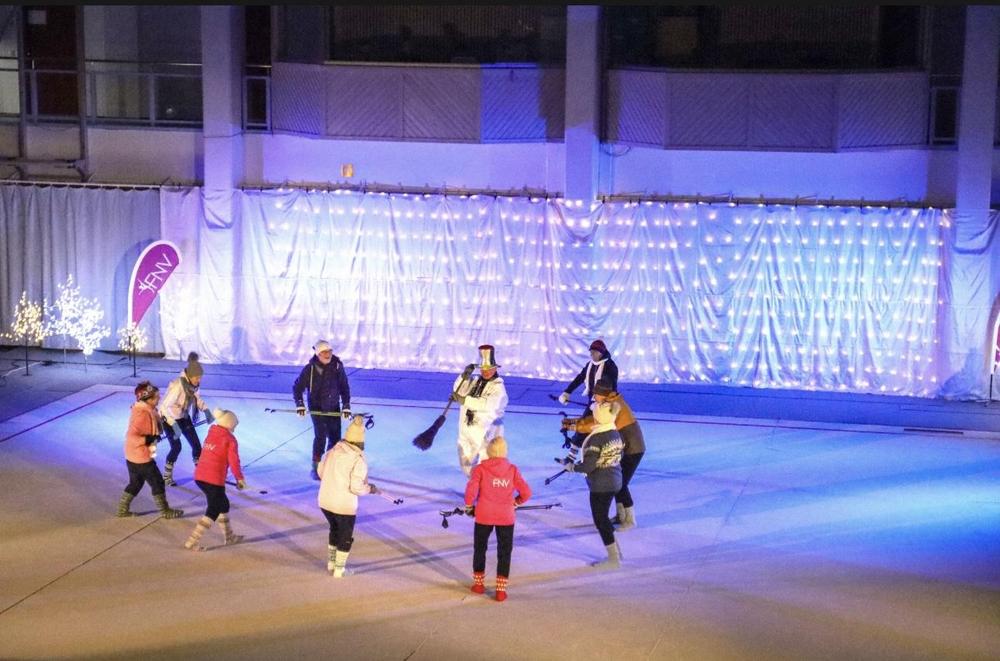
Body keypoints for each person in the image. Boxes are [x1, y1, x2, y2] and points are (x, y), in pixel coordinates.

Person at [562, 380, 644, 531]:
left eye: (595, 394)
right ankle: (621, 515)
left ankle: (630, 519)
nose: (593, 396)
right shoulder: (609, 403)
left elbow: (596, 425)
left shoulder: (612, 406)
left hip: (633, 448)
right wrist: (573, 422)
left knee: (621, 484)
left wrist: (574, 426)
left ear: (602, 394)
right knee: (618, 483)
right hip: (626, 446)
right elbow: (595, 419)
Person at [464, 436, 531, 602]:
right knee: (504, 551)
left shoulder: (480, 469)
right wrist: (516, 502)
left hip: (484, 515)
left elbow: (471, 490)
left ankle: (479, 584)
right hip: (505, 516)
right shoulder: (512, 470)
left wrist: (469, 506)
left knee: (480, 549)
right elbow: (526, 493)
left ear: (489, 451)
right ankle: (500, 590)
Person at [559, 400, 624, 569]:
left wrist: (572, 467)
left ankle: (613, 559)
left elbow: (589, 466)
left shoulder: (596, 438)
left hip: (601, 485)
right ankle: (616, 551)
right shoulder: (614, 433)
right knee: (604, 518)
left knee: (600, 520)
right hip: (615, 479)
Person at [317, 416, 378, 577]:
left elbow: (321, 472)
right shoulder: (358, 460)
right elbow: (356, 487)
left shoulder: (332, 451)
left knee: (334, 529)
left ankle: (331, 563)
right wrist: (369, 489)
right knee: (345, 535)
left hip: (325, 501)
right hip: (343, 505)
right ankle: (339, 570)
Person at [116, 381, 183, 519]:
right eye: (156, 397)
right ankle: (165, 511)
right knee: (157, 482)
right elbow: (131, 436)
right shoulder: (142, 414)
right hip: (141, 457)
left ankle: (122, 509)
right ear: (148, 399)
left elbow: (156, 423)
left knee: (136, 483)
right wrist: (147, 439)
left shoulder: (147, 410)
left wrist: (156, 435)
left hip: (132, 455)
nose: (159, 398)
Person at [184, 408, 246, 551]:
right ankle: (192, 541)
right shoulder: (230, 439)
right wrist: (239, 479)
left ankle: (229, 536)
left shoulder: (212, 433)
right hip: (214, 479)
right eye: (234, 425)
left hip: (200, 476)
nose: (235, 428)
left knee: (223, 504)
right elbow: (234, 462)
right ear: (229, 424)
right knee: (214, 508)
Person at [293, 340, 352, 481]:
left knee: (335, 438)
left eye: (329, 351)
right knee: (320, 437)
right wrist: (300, 404)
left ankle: (331, 465)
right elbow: (297, 387)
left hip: (333, 407)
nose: (328, 354)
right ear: (318, 354)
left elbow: (344, 387)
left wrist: (346, 405)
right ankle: (316, 467)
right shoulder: (310, 369)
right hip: (317, 408)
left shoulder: (337, 366)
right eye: (324, 352)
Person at [451, 344, 508, 476]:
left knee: (487, 463)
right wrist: (464, 377)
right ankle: (474, 481)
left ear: (495, 368)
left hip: (486, 432)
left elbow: (487, 405)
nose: (485, 371)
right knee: (465, 462)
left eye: (488, 369)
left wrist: (464, 400)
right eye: (483, 368)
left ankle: (485, 484)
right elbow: (459, 390)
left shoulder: (498, 388)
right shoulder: (475, 381)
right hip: (466, 430)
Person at [159, 352, 212, 486]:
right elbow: (163, 407)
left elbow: (196, 398)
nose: (199, 381)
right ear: (190, 375)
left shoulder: (192, 385)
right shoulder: (178, 386)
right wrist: (173, 424)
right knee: (176, 447)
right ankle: (166, 476)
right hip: (169, 419)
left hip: (183, 417)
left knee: (196, 445)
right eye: (197, 378)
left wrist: (206, 410)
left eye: (200, 378)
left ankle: (200, 473)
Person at [558, 339, 619, 406]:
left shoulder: (610, 366)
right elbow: (580, 378)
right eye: (591, 352)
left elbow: (613, 387)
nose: (591, 355)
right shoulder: (590, 364)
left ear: (600, 353)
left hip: (605, 402)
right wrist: (567, 392)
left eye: (594, 352)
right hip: (592, 399)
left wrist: (603, 404)